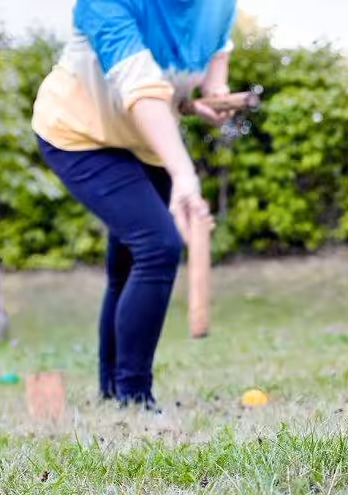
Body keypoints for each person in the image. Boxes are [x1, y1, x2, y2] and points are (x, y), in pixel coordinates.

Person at [32, 0, 238, 412]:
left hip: (146, 143)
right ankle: (134, 397)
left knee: (129, 264)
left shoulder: (219, 5)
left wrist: (210, 99)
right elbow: (140, 88)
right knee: (157, 245)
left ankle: (113, 392)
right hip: (78, 135)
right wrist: (183, 173)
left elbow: (211, 67)